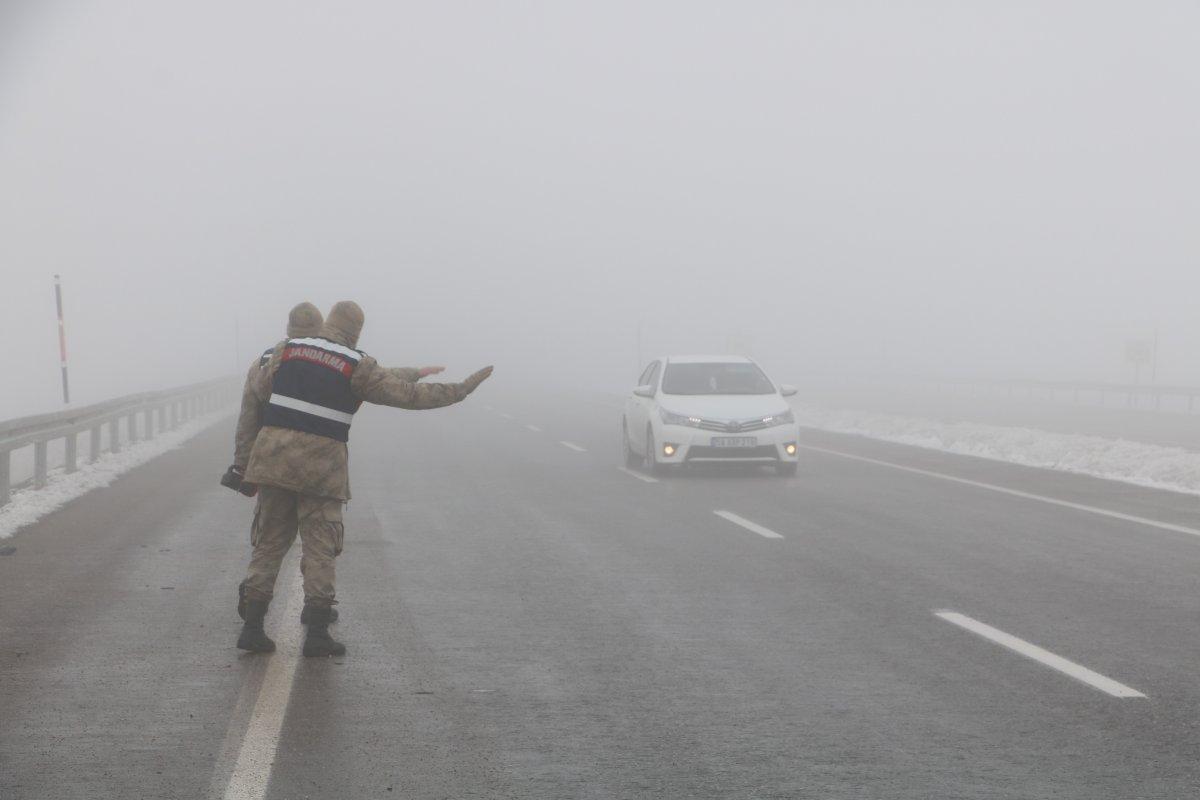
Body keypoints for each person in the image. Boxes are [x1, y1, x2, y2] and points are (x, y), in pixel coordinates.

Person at [236, 300, 493, 656]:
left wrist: (242, 464)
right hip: (321, 470)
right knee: (320, 548)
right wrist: (459, 390)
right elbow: (402, 394)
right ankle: (317, 634)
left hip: (272, 462)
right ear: (355, 330)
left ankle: (251, 626)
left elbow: (255, 398)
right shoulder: (355, 364)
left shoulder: (285, 351)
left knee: (268, 544)